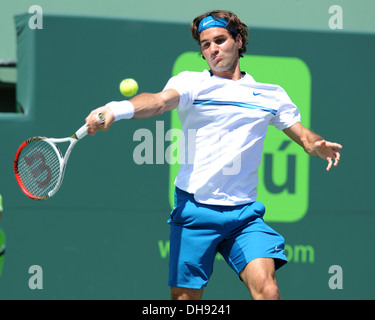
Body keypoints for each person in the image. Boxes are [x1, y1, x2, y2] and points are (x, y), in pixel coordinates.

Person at [85, 10, 342, 300]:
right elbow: (157, 102)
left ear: (239, 40)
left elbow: (305, 137)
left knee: (268, 291)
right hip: (195, 211)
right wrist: (116, 109)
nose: (212, 49)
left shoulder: (271, 95)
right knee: (184, 300)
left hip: (243, 216)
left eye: (219, 40)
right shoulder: (191, 83)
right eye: (205, 45)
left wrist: (317, 145)